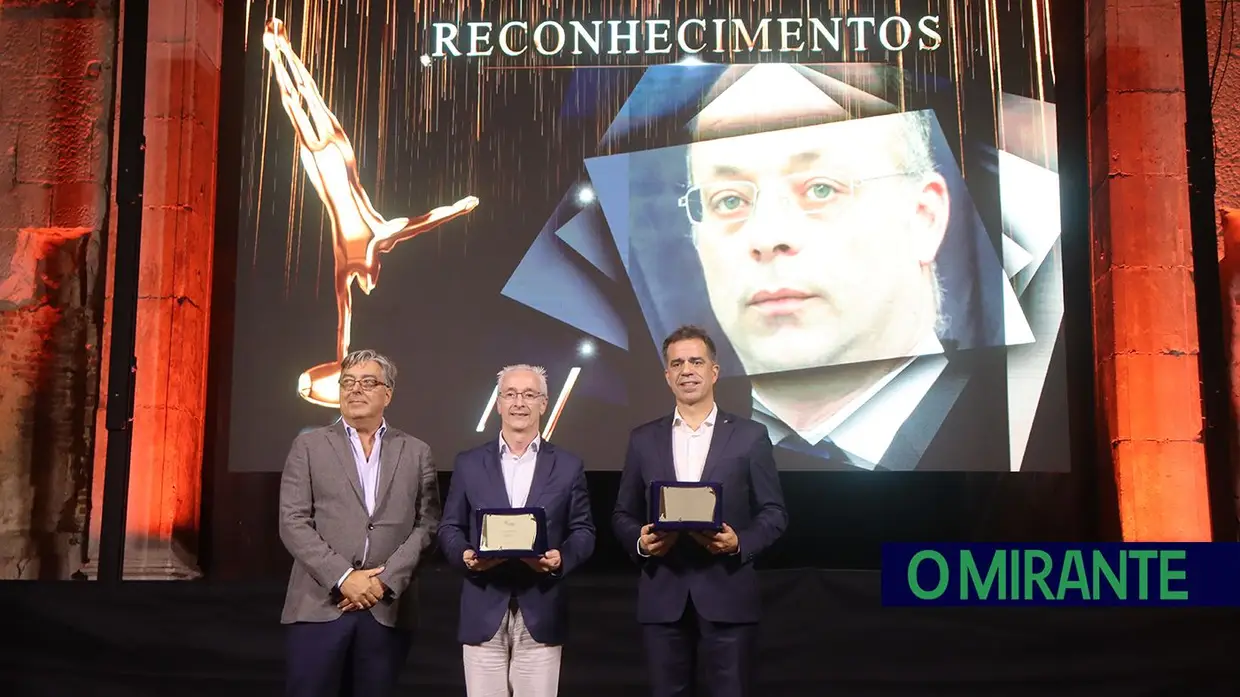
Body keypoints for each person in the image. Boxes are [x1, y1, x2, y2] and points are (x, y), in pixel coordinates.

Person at [613, 325, 788, 697]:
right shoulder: (642, 439)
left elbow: (774, 512)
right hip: (663, 596)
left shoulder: (750, 436)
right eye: (677, 363)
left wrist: (740, 542)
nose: (686, 370)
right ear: (666, 375)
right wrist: (641, 542)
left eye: (696, 361)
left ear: (714, 371)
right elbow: (621, 514)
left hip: (728, 592)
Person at [278, 349, 441, 697]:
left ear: (388, 394)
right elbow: (292, 521)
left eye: (368, 382)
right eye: (348, 382)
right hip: (319, 607)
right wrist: (343, 577)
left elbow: (427, 524)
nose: (355, 390)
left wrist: (383, 581)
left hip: (386, 608)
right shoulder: (308, 446)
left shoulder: (416, 451)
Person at [438, 364, 596, 696]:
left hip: (541, 603)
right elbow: (449, 527)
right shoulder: (468, 463)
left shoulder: (568, 465)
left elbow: (583, 531)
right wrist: (465, 556)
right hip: (483, 603)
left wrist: (560, 558)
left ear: (544, 403)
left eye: (529, 394)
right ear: (498, 403)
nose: (518, 402)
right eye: (510, 394)